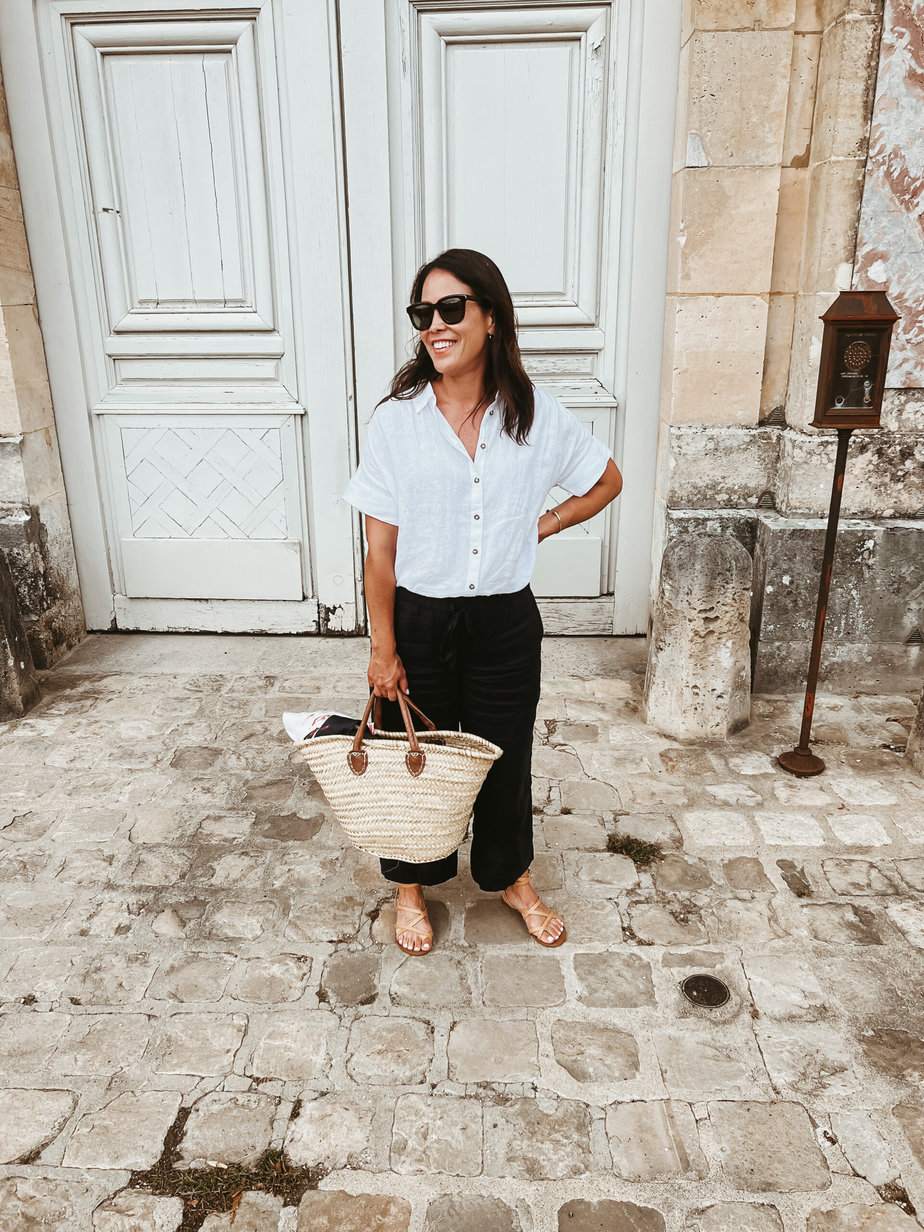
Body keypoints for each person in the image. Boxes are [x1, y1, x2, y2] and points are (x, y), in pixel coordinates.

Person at [343, 248, 622, 955]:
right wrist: (384, 649)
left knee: (504, 758)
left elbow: (607, 479)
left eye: (451, 309)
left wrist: (546, 522)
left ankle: (510, 877)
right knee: (417, 757)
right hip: (421, 617)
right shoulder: (398, 423)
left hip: (504, 622)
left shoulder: (534, 416)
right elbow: (380, 551)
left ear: (490, 317)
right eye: (423, 314)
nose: (434, 325)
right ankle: (411, 888)